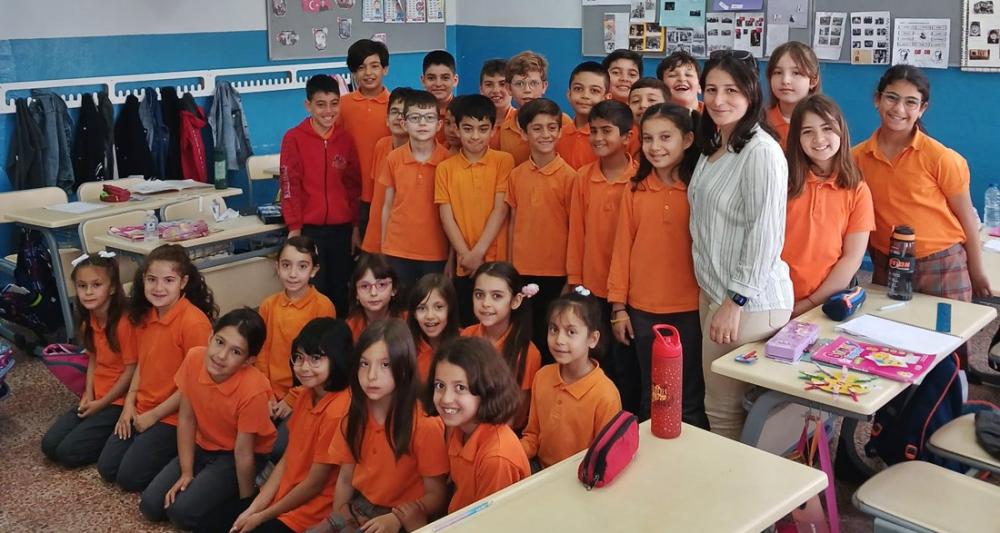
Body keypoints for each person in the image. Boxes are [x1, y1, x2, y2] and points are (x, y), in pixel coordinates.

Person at [688, 50, 792, 440]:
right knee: (724, 405)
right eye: (711, 89)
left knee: (723, 410)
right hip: (715, 292)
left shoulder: (761, 152)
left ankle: (735, 477)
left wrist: (735, 302)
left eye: (731, 90)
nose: (718, 100)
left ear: (751, 93)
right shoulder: (718, 141)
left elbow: (765, 235)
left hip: (748, 302)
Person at [195, 318, 354, 533]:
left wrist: (262, 516)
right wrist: (254, 507)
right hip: (281, 498)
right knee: (207, 526)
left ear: (338, 358)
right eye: (299, 358)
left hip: (309, 513)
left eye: (316, 359)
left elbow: (314, 483)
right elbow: (287, 459)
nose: (304, 367)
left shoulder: (339, 410)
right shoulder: (306, 394)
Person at [854, 65, 991, 308]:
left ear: (922, 108)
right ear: (877, 99)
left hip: (941, 264)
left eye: (911, 102)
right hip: (887, 262)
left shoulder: (941, 158)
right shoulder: (856, 158)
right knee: (887, 329)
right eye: (892, 98)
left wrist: (977, 271)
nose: (899, 109)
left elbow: (967, 218)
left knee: (948, 330)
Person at [608, 103, 707, 427]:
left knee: (689, 396)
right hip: (642, 310)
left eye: (666, 137)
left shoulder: (700, 189)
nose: (655, 147)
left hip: (691, 309)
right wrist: (619, 308)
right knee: (653, 394)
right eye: (648, 138)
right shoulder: (635, 189)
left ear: (687, 140)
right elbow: (622, 248)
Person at [139, 308, 276, 530]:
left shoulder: (254, 389)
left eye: (236, 352)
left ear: (248, 361)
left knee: (181, 514)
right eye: (220, 342)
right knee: (151, 506)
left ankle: (261, 474)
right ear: (210, 337)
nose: (221, 356)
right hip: (204, 444)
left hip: (235, 454)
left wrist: (245, 503)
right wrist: (186, 471)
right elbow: (186, 419)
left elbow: (243, 452)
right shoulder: (194, 358)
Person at [97, 244, 216, 492]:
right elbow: (143, 363)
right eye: (152, 279)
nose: (158, 288)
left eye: (168, 280)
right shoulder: (145, 315)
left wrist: (154, 415)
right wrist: (129, 404)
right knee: (107, 469)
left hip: (173, 416)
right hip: (142, 407)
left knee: (129, 479)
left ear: (183, 282)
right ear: (143, 279)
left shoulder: (194, 323)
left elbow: (194, 384)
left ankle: (183, 454)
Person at [320, 319, 449, 532]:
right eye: (364, 364)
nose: (371, 376)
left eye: (385, 365)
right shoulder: (354, 417)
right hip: (359, 506)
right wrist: (340, 521)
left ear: (404, 368)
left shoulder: (425, 424)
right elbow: (345, 480)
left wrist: (396, 518)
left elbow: (437, 496)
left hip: (403, 515)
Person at [42, 252, 136, 467]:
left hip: (117, 401)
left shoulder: (124, 324)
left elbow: (131, 370)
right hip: (97, 397)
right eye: (82, 286)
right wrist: (88, 394)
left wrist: (102, 403)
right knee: (49, 445)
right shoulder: (89, 322)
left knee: (68, 454)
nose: (89, 292)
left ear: (112, 288)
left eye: (96, 285)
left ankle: (113, 440)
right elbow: (93, 361)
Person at [783, 95, 874, 317]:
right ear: (796, 138)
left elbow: (852, 258)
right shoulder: (782, 180)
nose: (819, 139)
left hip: (826, 303)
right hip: (774, 298)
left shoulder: (857, 190)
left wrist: (811, 303)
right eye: (808, 132)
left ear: (841, 131)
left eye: (827, 128)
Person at [280, 74, 362, 317]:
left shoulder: (345, 138)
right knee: (315, 289)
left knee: (342, 290)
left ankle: (342, 336)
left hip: (341, 230)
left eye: (334, 104)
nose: (328, 111)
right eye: (321, 104)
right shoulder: (294, 138)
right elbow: (289, 185)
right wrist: (294, 227)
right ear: (308, 105)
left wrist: (355, 226)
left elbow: (353, 186)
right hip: (309, 230)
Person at [507, 98, 577, 365]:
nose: (545, 134)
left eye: (551, 127)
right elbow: (513, 222)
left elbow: (575, 230)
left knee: (553, 339)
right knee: (525, 340)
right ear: (524, 133)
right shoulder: (516, 175)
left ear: (560, 132)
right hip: (522, 271)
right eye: (537, 128)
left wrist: (571, 278)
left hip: (557, 274)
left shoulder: (570, 178)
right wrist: (511, 267)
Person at [435, 95, 515, 326]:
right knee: (468, 325)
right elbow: (446, 217)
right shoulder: (445, 168)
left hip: (496, 259)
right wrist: (465, 255)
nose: (475, 136)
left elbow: (501, 210)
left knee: (498, 322)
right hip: (465, 265)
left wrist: (478, 253)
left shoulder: (504, 161)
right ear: (457, 129)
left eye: (483, 129)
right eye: (468, 129)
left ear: (493, 130)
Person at [426, 337, 529, 514]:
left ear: (487, 389)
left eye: (460, 388)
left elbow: (491, 522)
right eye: (440, 385)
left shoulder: (496, 459)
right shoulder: (460, 427)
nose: (446, 399)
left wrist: (417, 523)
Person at [256, 236, 336, 459]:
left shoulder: (323, 306)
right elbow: (261, 354)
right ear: (277, 267)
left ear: (314, 270)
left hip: (305, 393)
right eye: (286, 265)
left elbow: (321, 363)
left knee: (278, 447)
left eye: (302, 266)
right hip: (269, 393)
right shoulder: (268, 305)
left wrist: (292, 398)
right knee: (245, 434)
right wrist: (266, 394)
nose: (293, 274)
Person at [521, 293, 621, 469]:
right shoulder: (542, 376)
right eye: (554, 329)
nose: (559, 340)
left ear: (592, 339)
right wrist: (512, 454)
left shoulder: (606, 395)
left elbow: (604, 458)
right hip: (541, 471)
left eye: (571, 332)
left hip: (581, 476)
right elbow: (532, 435)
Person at [380, 90, 452, 289]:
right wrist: (384, 246)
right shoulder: (393, 158)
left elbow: (454, 215)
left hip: (435, 252)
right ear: (404, 123)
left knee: (432, 301)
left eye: (429, 118)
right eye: (415, 118)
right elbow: (387, 206)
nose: (422, 123)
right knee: (401, 303)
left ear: (439, 125)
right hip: (397, 250)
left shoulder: (447, 161)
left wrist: (452, 256)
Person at [461, 262, 541, 431]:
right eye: (479, 295)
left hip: (500, 434)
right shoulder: (466, 336)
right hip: (463, 425)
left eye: (496, 296)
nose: (485, 303)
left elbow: (515, 416)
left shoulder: (527, 353)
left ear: (515, 301)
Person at [339, 39, 391, 239]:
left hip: (386, 194)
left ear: (385, 69)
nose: (368, 73)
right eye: (361, 67)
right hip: (350, 196)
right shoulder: (342, 105)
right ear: (354, 72)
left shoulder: (396, 105)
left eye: (374, 66)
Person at [360, 87, 414, 254]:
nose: (398, 117)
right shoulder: (381, 145)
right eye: (394, 112)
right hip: (373, 240)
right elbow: (375, 195)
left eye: (404, 114)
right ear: (387, 119)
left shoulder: (420, 153)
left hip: (402, 245)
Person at [498, 51, 571, 165]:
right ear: (509, 88)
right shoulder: (505, 129)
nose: (527, 90)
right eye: (519, 84)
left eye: (534, 83)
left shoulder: (563, 121)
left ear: (544, 86)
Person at [556, 61, 610, 170]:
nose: (585, 96)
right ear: (569, 94)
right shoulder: (556, 136)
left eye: (594, 90)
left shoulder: (610, 138)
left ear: (606, 98)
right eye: (578, 89)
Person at [766, 42, 821, 147]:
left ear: (813, 80)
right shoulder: (761, 122)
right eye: (778, 72)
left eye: (796, 73)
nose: (785, 80)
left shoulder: (824, 122)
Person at [407, 274, 461, 382]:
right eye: (422, 308)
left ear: (450, 309)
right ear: (414, 313)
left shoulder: (465, 341)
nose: (430, 316)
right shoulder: (406, 347)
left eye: (438, 307)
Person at [344, 253, 403, 342]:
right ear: (356, 293)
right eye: (365, 286)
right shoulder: (349, 327)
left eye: (382, 284)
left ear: (394, 289)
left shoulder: (408, 321)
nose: (373, 293)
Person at [421, 49, 459, 145]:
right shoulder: (414, 114)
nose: (438, 84)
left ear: (455, 80)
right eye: (431, 78)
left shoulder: (465, 113)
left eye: (445, 78)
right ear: (423, 81)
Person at [626, 78, 670, 155]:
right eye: (636, 101)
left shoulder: (678, 142)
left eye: (652, 100)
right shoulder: (623, 142)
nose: (643, 105)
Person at [480, 59, 515, 150]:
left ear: (512, 88)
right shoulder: (471, 123)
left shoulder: (521, 121)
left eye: (502, 84)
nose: (496, 90)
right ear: (481, 89)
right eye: (489, 84)